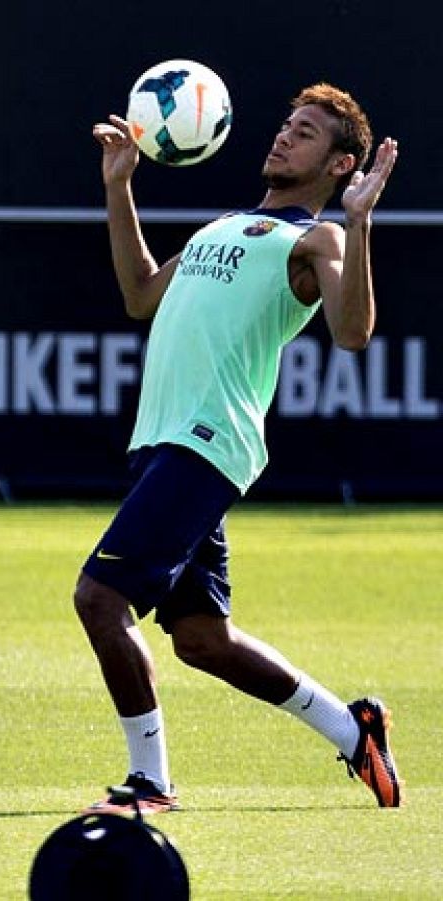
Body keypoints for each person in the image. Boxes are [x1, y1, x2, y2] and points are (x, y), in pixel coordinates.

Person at [76, 83, 401, 814]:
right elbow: (138, 295)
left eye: (307, 132)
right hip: (160, 441)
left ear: (341, 164)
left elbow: (352, 334)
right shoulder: (219, 226)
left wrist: (359, 221)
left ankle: (150, 781)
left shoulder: (317, 238)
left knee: (99, 597)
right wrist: (119, 188)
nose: (285, 137)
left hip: (207, 441)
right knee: (200, 637)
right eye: (287, 124)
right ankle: (355, 730)